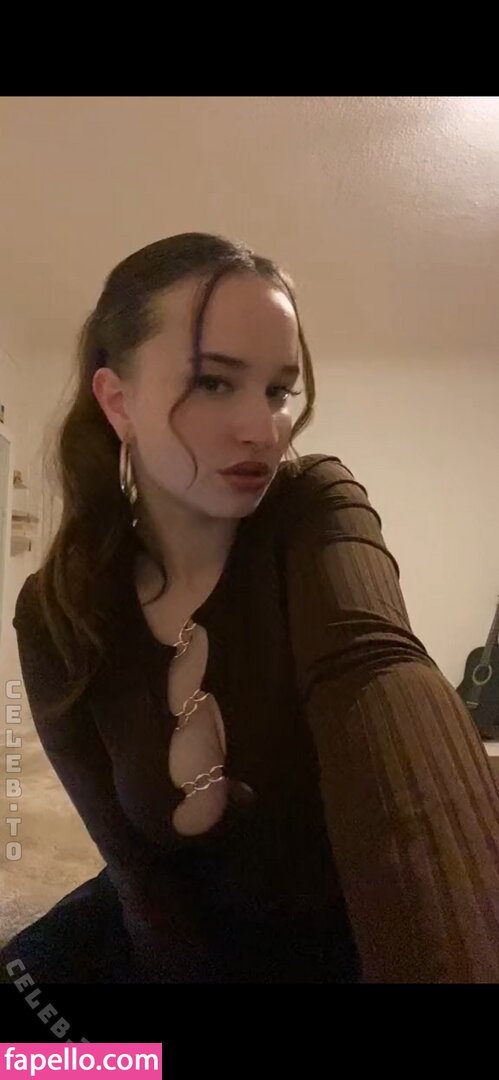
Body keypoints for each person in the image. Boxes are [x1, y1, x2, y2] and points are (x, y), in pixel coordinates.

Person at [2, 231, 499, 987]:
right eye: (213, 382)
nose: (262, 431)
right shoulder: (57, 612)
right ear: (117, 400)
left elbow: (381, 668)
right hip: (170, 934)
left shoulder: (312, 508)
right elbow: (137, 874)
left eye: (277, 390)